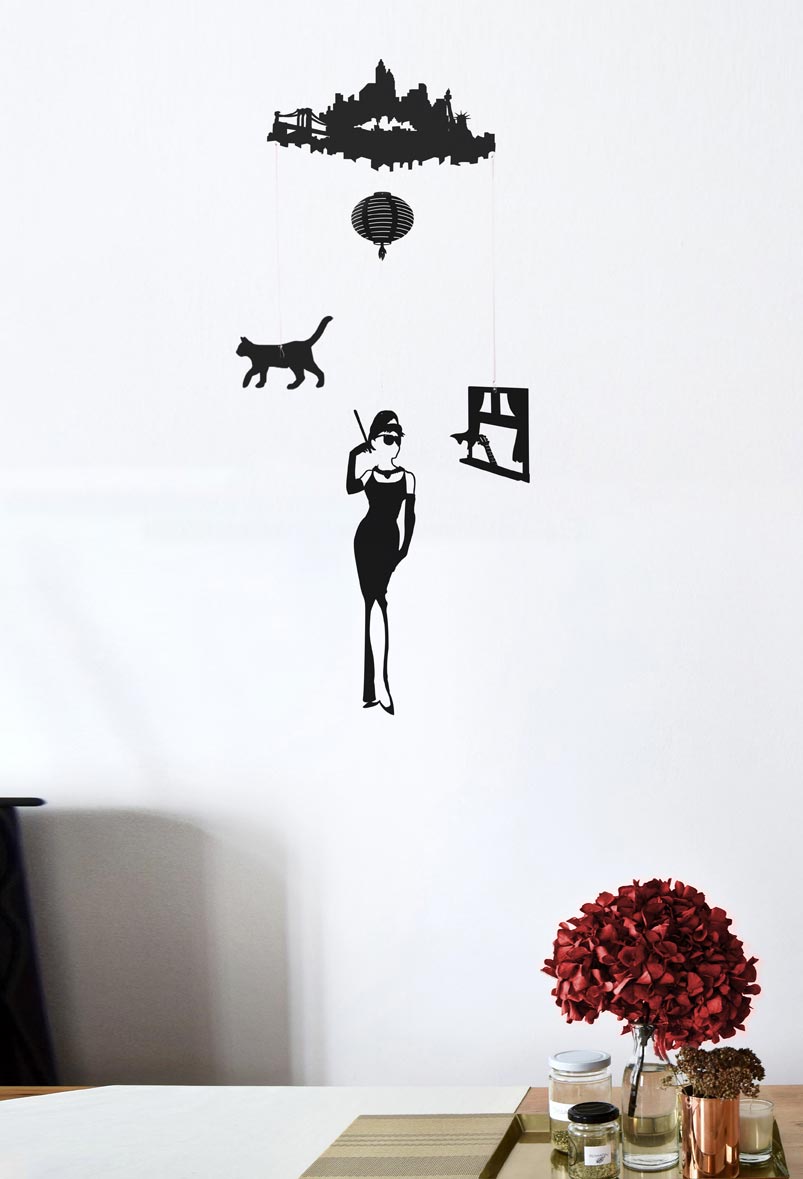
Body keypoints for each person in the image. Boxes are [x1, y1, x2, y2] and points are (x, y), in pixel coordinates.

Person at [347, 411, 416, 714]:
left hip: (389, 541)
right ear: (374, 441)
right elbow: (350, 487)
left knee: (378, 603)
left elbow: (410, 515)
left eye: (397, 438)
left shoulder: (408, 477)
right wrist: (354, 455)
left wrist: (404, 549)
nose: (394, 443)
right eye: (387, 438)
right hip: (365, 540)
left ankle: (376, 686)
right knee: (373, 603)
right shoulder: (369, 475)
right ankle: (378, 685)